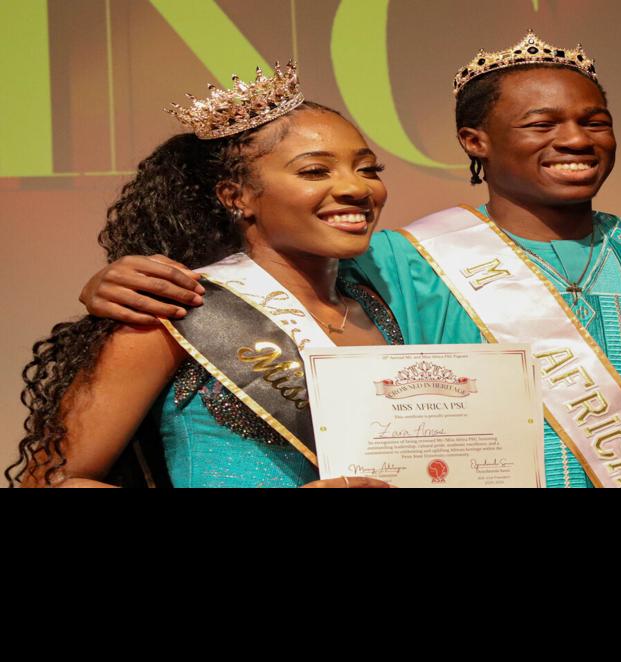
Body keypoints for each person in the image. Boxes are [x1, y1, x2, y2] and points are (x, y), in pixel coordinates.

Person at [77, 34, 621, 489]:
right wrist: (111, 281)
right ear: (474, 141)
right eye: (541, 124)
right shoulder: (405, 264)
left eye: (367, 169)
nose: (573, 138)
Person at [8, 64, 400, 488]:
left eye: (368, 169)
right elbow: (49, 480)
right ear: (236, 196)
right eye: (314, 171)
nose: (358, 189)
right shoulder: (176, 309)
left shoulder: (376, 308)